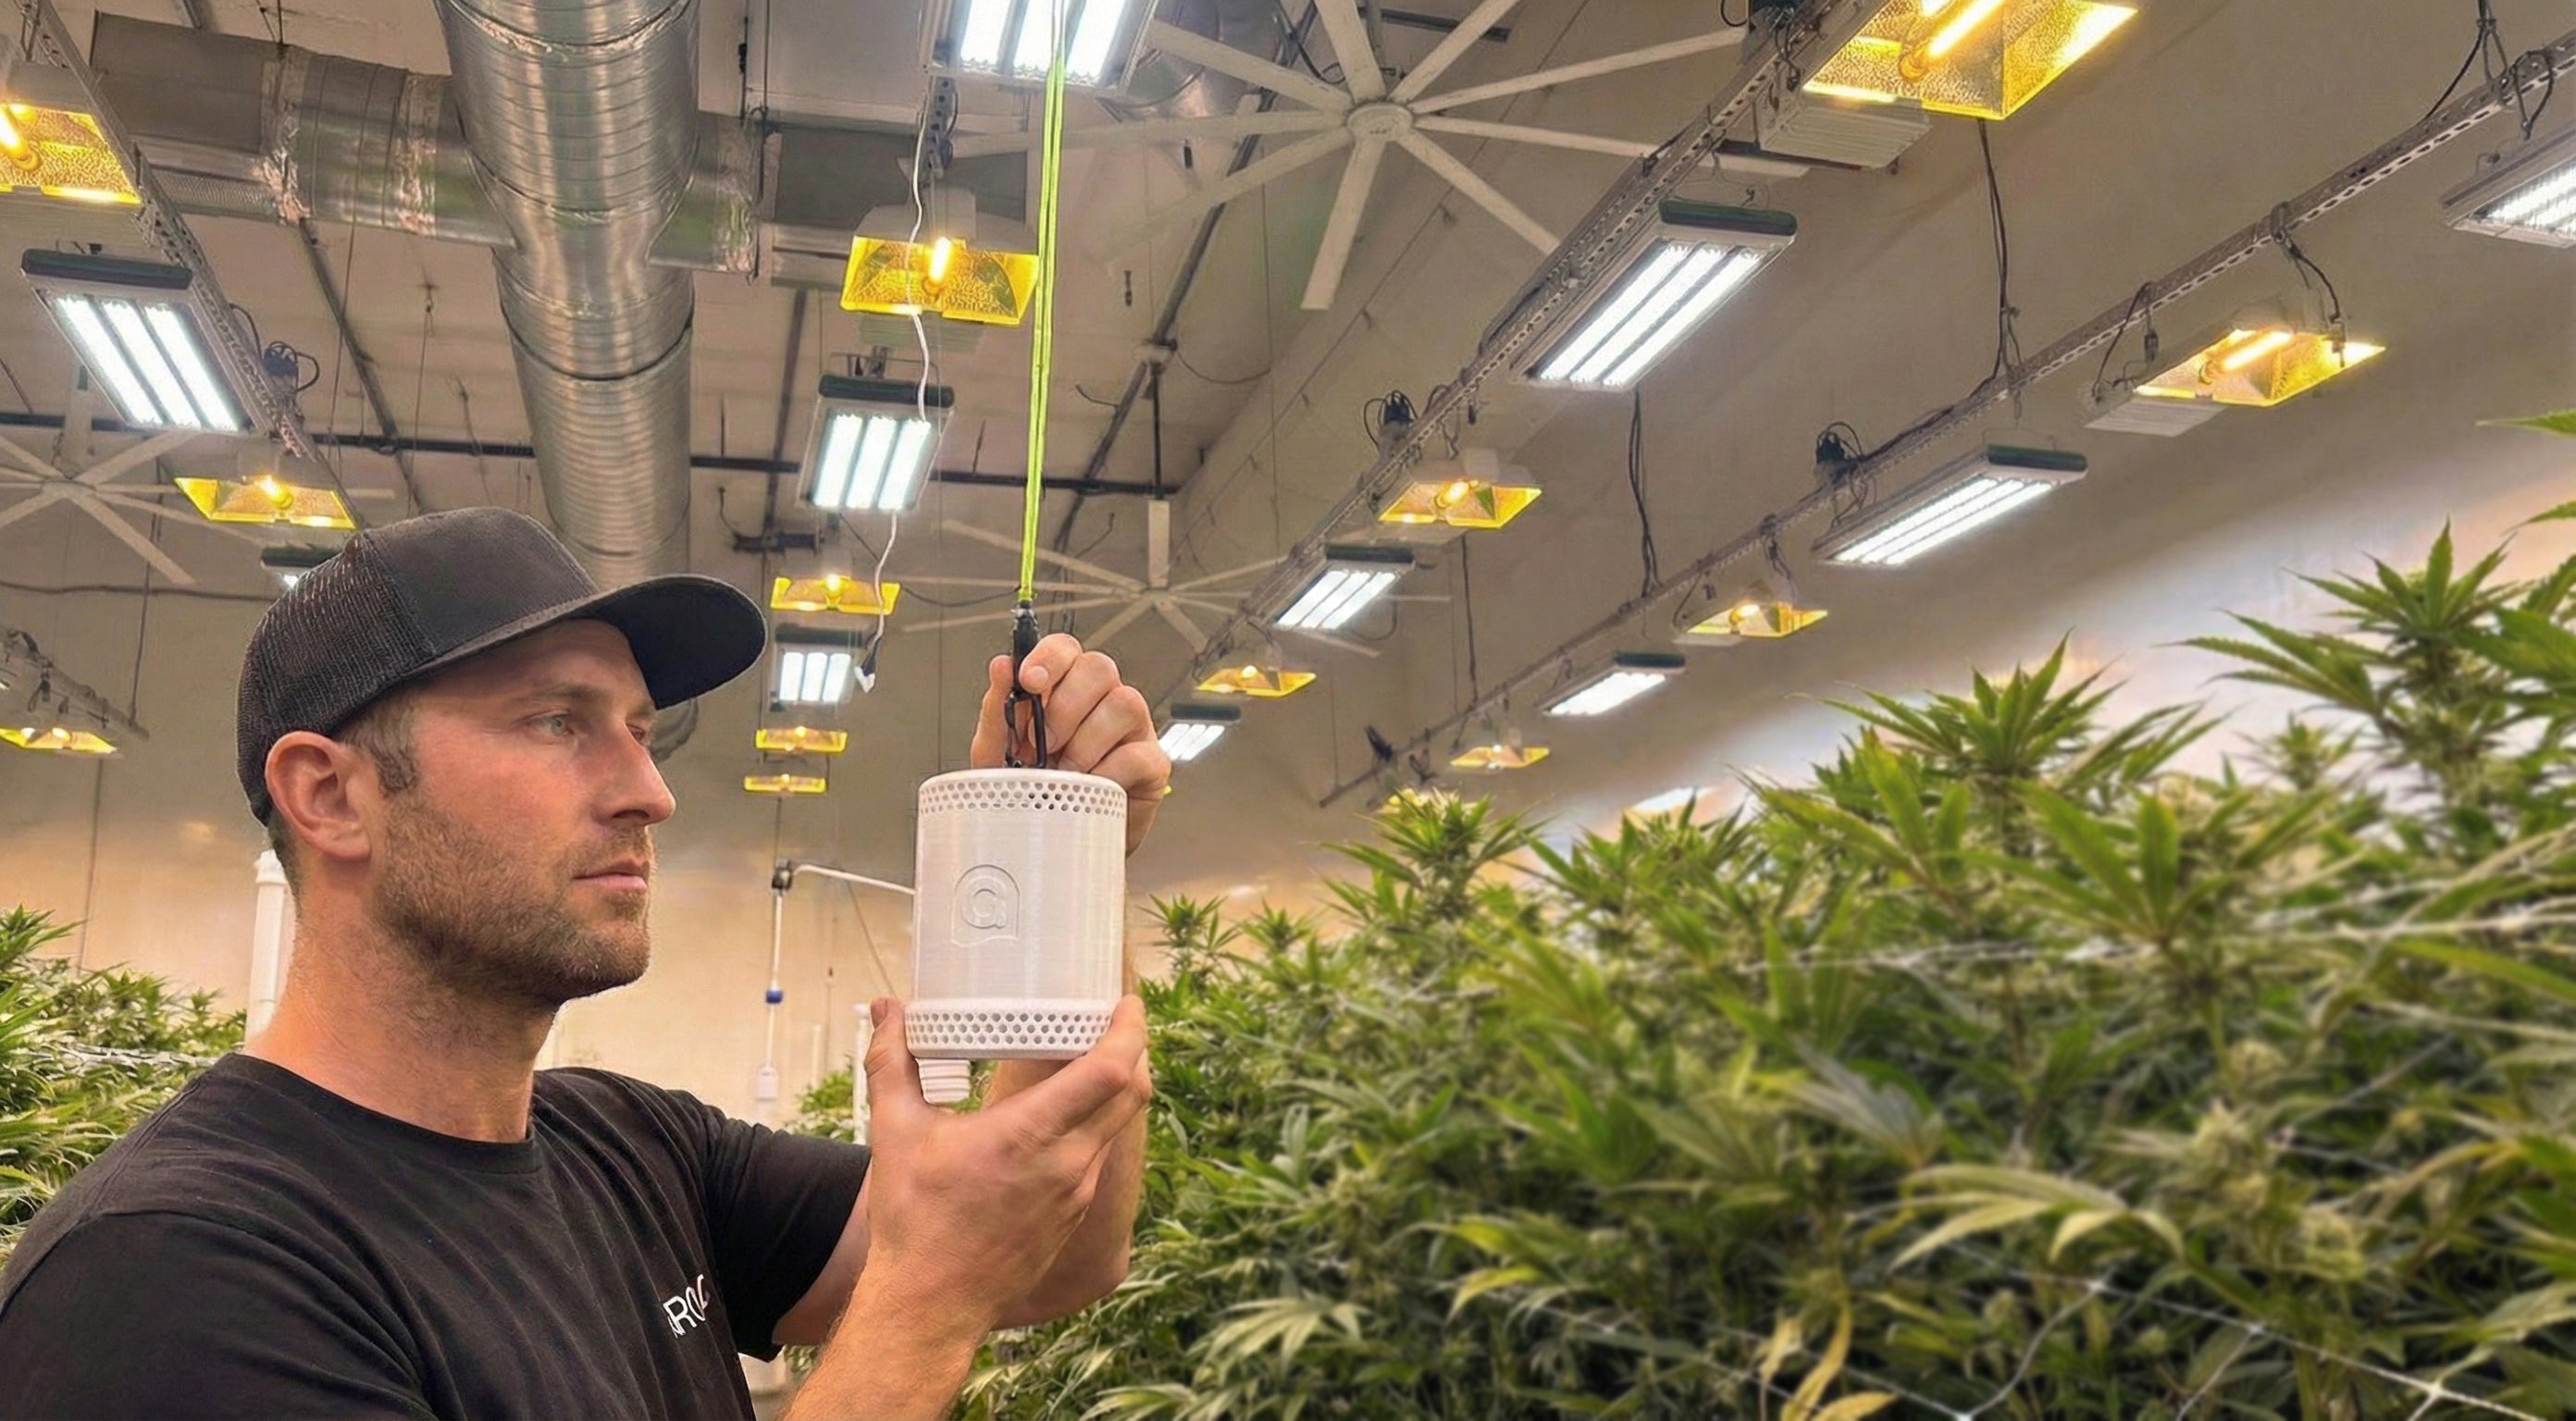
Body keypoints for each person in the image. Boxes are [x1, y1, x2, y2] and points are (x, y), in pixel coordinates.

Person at [0, 507, 1166, 1420]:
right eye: (558, 721)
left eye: (640, 731)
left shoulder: (635, 1151)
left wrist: (1066, 849)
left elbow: (1054, 1256)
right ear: (330, 795)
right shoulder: (176, 1278)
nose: (649, 793)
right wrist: (921, 1304)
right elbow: (957, 1276)